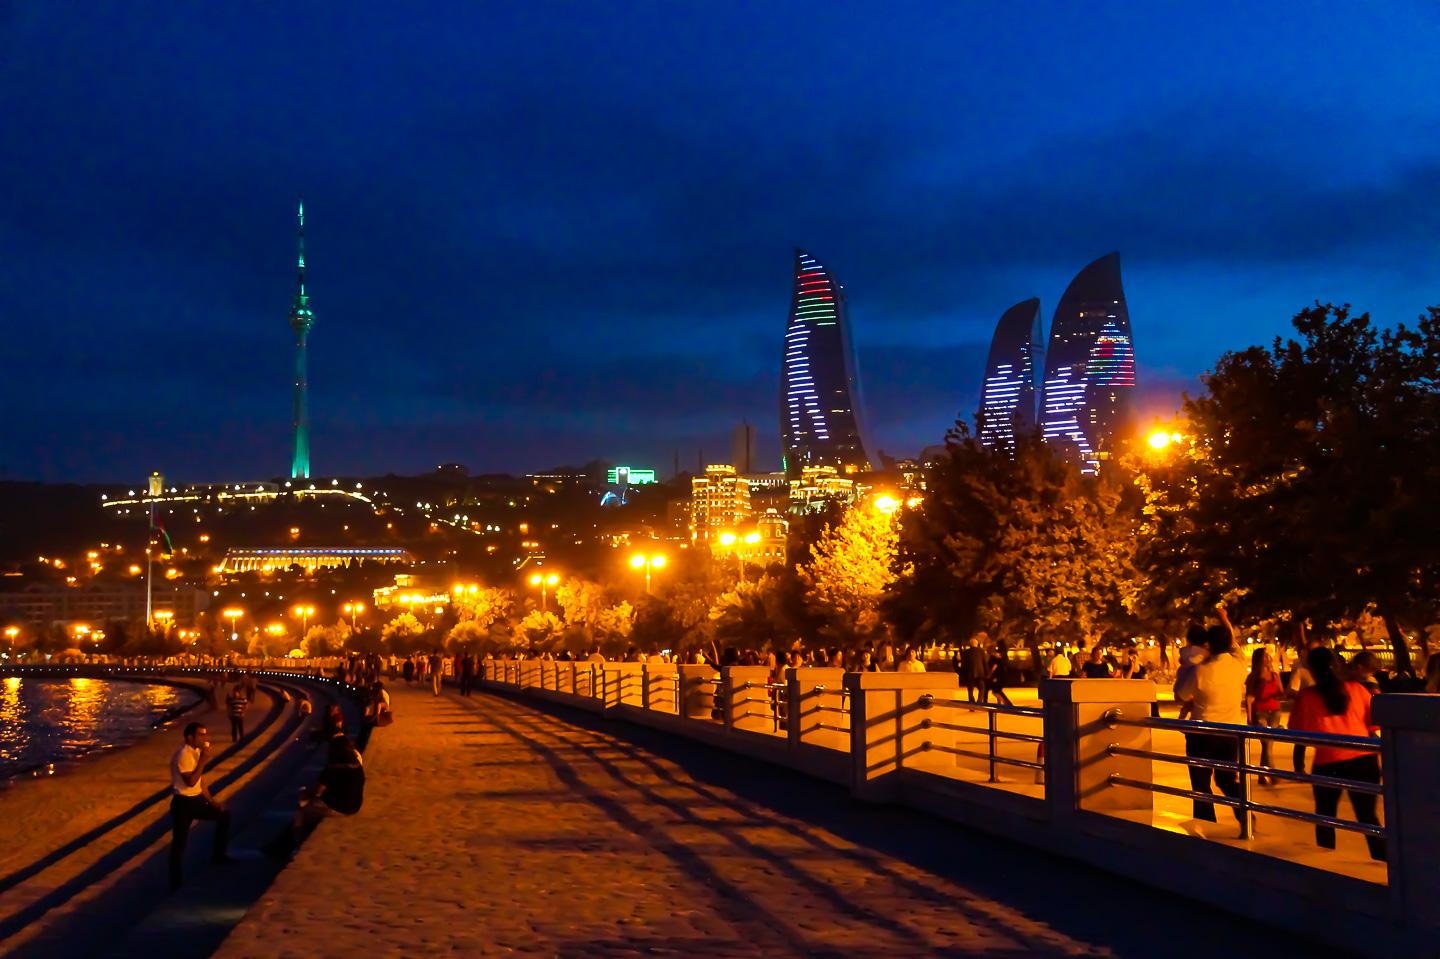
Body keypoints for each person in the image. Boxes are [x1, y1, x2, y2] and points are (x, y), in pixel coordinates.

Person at [1288, 647, 1386, 862]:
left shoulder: (1307, 697)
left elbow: (1297, 732)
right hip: (1364, 760)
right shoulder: (1357, 689)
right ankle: (1383, 862)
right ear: (1337, 664)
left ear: (1311, 669)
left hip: (1328, 761)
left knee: (1325, 816)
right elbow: (1373, 723)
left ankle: (1326, 863)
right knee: (1368, 816)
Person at [1174, 624, 1248, 828]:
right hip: (1231, 733)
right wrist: (1225, 619)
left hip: (1202, 733)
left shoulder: (1201, 670)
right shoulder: (1239, 665)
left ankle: (1206, 823)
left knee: (1200, 783)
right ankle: (1245, 813)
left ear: (1208, 644)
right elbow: (1235, 648)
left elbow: (1180, 695)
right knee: (1226, 780)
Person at [267, 716, 366, 860]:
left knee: (302, 812)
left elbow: (318, 790)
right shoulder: (351, 757)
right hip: (354, 803)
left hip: (342, 806)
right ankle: (283, 844)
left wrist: (305, 793)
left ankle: (292, 847)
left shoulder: (335, 761)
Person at [168, 721, 231, 889]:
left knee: (224, 816)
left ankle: (219, 855)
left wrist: (212, 802)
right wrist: (203, 760)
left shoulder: (196, 752)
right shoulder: (183, 755)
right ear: (190, 737)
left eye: (205, 734)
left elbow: (200, 782)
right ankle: (175, 881)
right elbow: (190, 781)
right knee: (179, 843)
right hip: (183, 803)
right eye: (201, 735)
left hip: (196, 800)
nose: (205, 738)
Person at [1245, 648, 1284, 784]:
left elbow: (1281, 692)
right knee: (1267, 743)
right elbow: (1249, 698)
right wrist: (1249, 717)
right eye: (1265, 656)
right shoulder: (1254, 677)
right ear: (1259, 660)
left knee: (1267, 744)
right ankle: (1273, 775)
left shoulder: (1274, 675)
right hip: (1260, 711)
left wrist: (1279, 689)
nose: (1268, 658)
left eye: (1268, 656)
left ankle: (1262, 775)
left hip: (1275, 711)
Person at [958, 638, 988, 702]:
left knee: (970, 690)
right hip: (980, 673)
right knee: (982, 689)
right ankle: (979, 702)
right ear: (977, 644)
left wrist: (963, 675)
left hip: (969, 673)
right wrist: (987, 673)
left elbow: (963, 665)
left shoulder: (965, 652)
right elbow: (984, 663)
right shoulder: (982, 651)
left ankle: (972, 704)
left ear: (970, 644)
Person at [986, 642, 1014, 706]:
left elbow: (994, 667)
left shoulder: (993, 657)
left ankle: (1007, 703)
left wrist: (990, 675)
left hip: (997, 676)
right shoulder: (1000, 656)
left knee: (996, 691)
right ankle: (1006, 703)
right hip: (1002, 676)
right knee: (998, 691)